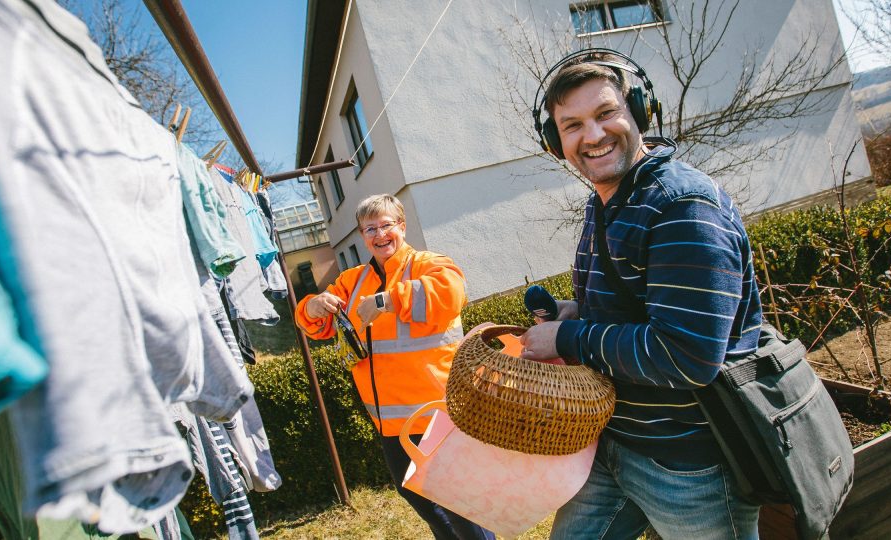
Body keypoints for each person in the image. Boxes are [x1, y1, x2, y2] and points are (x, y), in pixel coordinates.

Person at [519, 50, 764, 539]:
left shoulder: (680, 207)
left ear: (637, 110)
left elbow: (687, 355)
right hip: (617, 445)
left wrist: (568, 338)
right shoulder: (605, 201)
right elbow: (633, 307)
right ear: (555, 142)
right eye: (571, 125)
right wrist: (577, 311)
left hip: (689, 464)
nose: (592, 135)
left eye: (605, 113)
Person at [294, 194, 494, 540]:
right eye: (369, 228)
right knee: (420, 499)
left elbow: (450, 293)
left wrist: (388, 300)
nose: (379, 234)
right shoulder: (351, 281)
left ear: (401, 226)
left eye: (386, 225)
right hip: (390, 422)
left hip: (437, 412)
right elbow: (317, 325)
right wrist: (313, 306)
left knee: (458, 503)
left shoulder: (429, 263)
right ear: (362, 235)